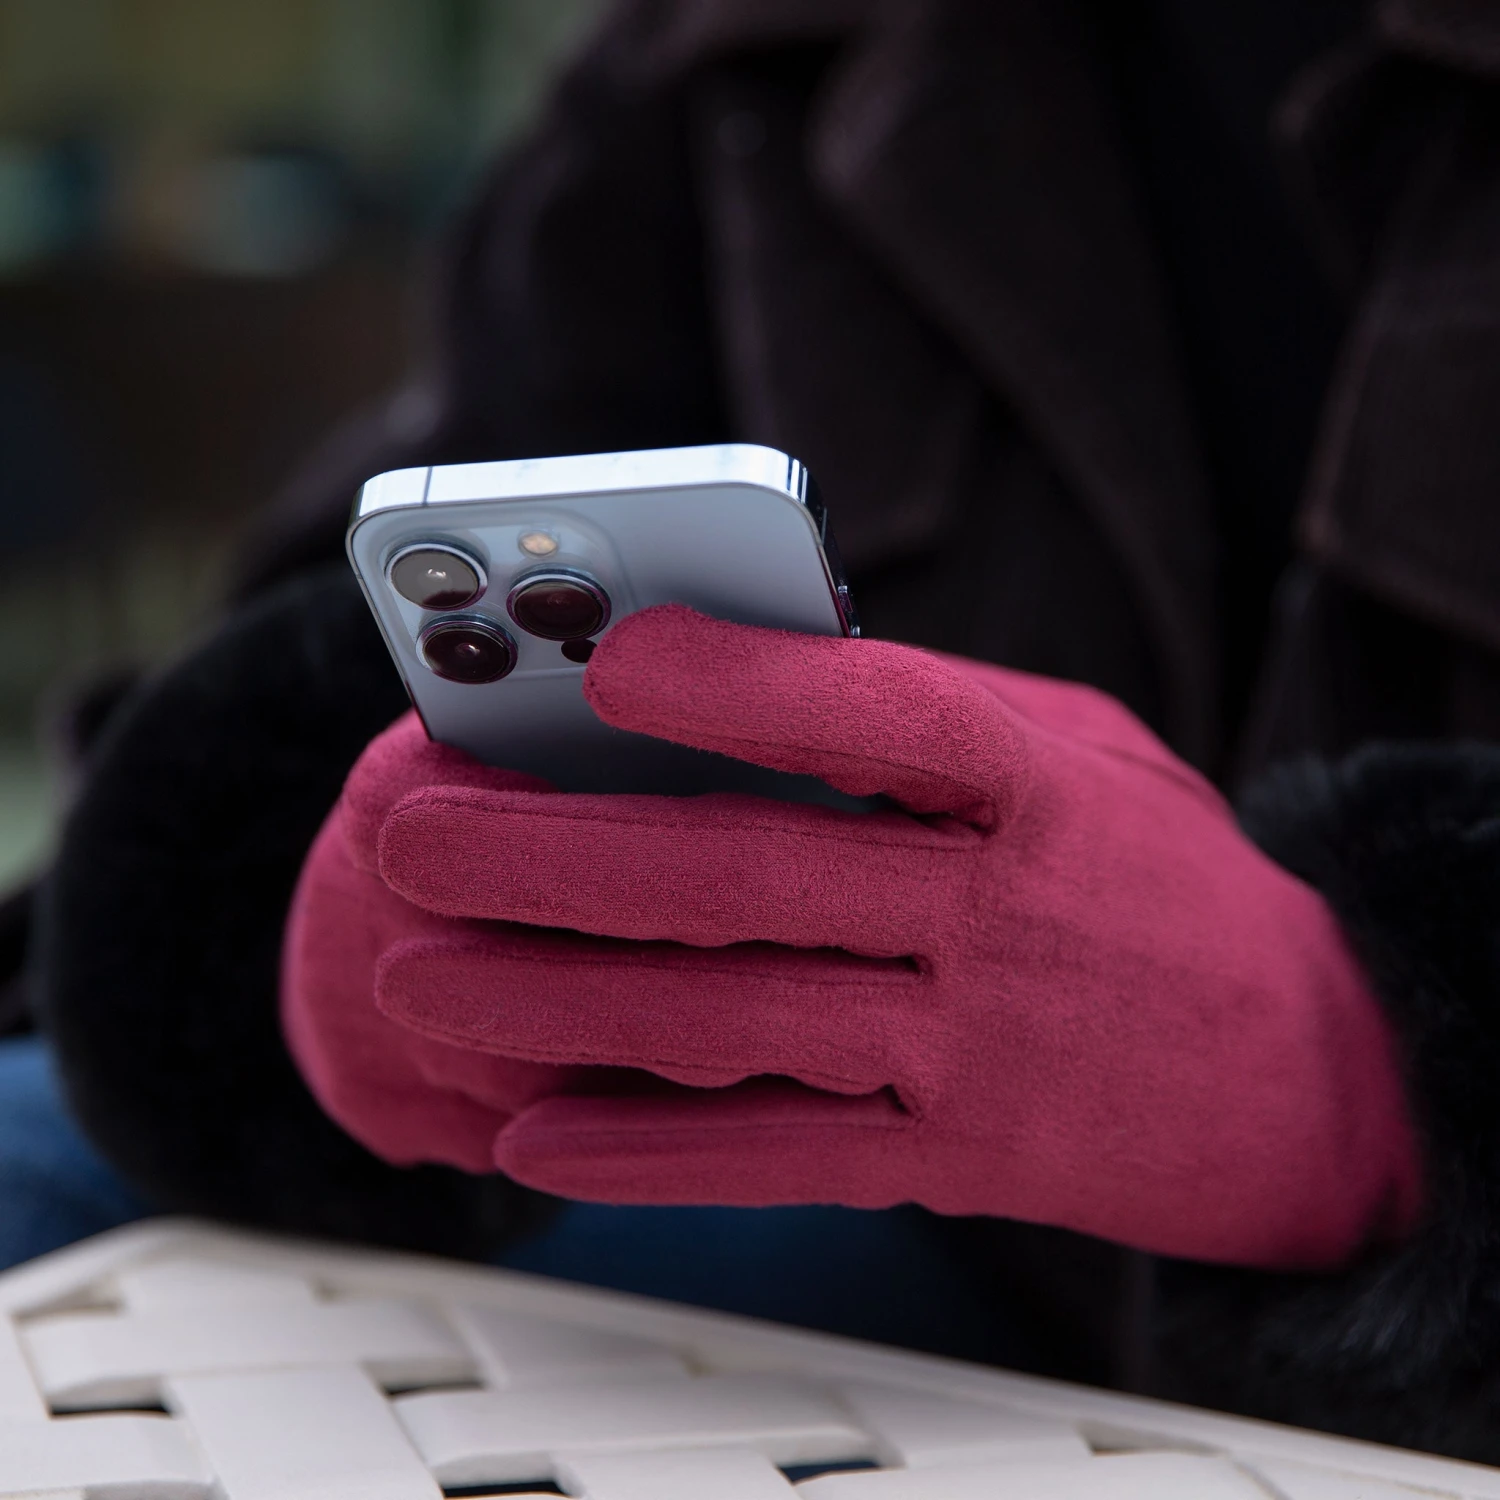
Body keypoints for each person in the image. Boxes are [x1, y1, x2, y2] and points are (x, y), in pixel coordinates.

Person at [9, 0, 1500, 1462]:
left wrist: (1363, 1078)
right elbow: (427, 534)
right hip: (878, 1204)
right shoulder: (740, 50)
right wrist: (289, 915)